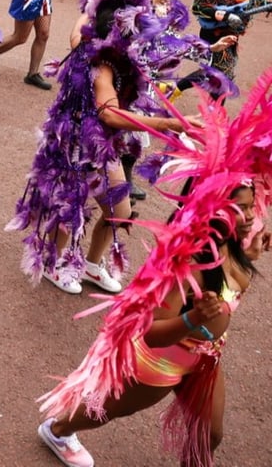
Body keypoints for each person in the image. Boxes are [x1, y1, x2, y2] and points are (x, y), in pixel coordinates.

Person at [38, 182, 269, 467]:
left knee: (209, 435)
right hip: (161, 361)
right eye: (241, 208)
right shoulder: (185, 263)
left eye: (250, 206)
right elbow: (151, 334)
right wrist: (193, 318)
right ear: (213, 210)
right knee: (105, 412)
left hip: (206, 358)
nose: (251, 216)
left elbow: (232, 273)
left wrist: (250, 253)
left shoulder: (231, 243)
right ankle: (58, 431)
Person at [7, 0, 201, 295]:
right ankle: (55, 264)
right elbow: (108, 113)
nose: (144, 26)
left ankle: (92, 265)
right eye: (137, 22)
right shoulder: (102, 62)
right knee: (71, 211)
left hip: (103, 144)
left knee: (119, 212)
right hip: (77, 145)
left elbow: (80, 28)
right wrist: (171, 124)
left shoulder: (108, 51)